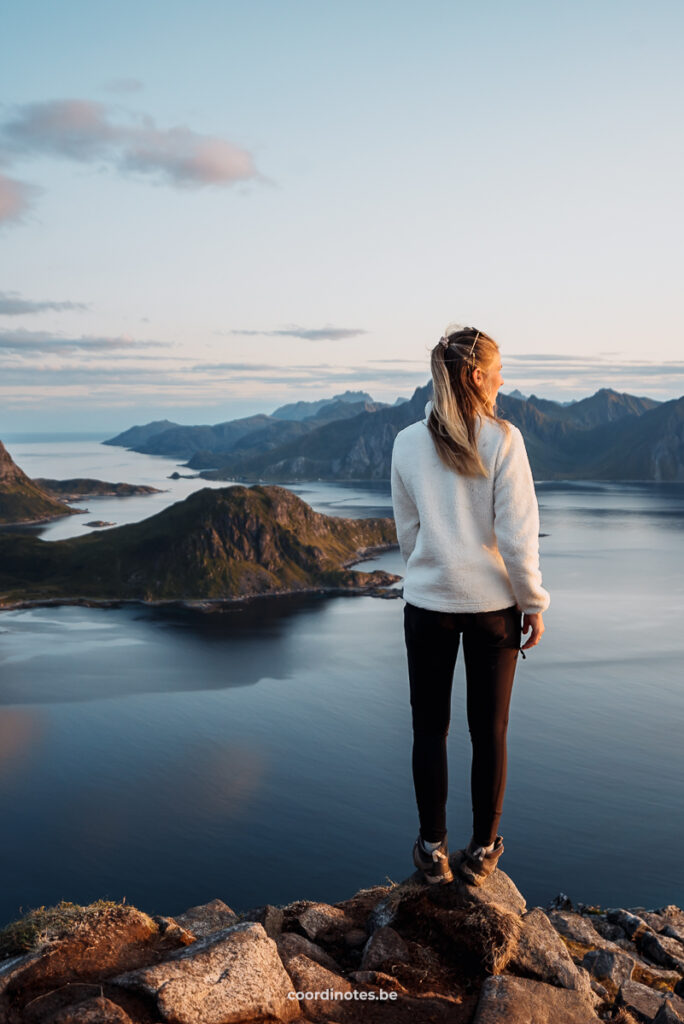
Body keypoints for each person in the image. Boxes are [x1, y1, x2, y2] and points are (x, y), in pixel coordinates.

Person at [390, 324, 550, 886]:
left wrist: (433, 569)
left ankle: (432, 850)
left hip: (427, 604)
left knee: (429, 729)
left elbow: (408, 533)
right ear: (478, 376)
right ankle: (483, 852)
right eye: (500, 373)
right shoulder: (504, 440)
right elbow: (517, 536)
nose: (503, 384)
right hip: (492, 610)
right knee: (492, 731)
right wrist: (532, 602)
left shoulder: (407, 443)